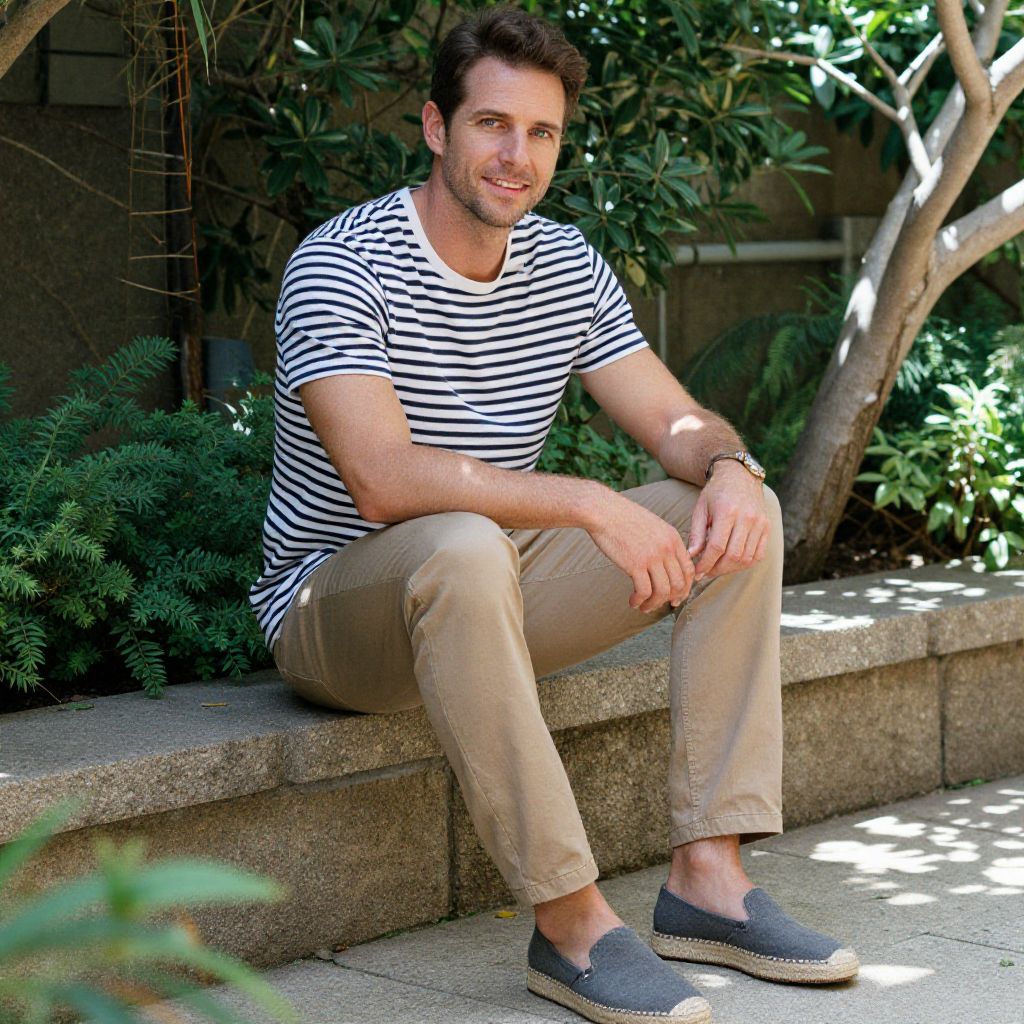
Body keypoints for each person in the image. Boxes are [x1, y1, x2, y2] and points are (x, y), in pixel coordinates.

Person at [250, 5, 859, 1022]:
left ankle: (708, 879)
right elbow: (381, 480)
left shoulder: (566, 266)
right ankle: (570, 924)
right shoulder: (341, 263)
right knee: (458, 544)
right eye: (492, 125)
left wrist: (726, 462)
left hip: (486, 583)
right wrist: (582, 500)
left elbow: (672, 421)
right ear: (436, 128)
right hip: (336, 611)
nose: (515, 156)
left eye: (540, 133)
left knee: (726, 511)